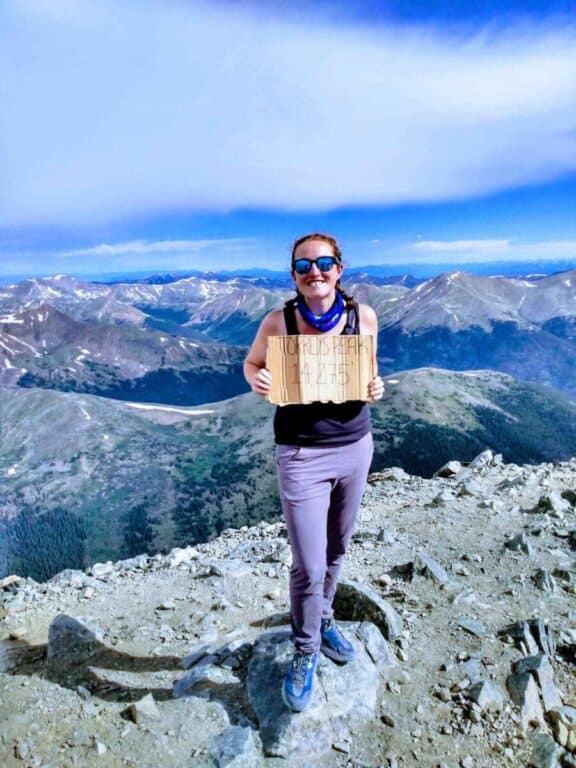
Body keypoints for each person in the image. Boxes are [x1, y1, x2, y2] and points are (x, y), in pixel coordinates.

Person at [243, 233, 384, 712]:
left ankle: (324, 620)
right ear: (293, 275)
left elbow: (369, 375)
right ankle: (305, 650)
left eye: (324, 263)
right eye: (304, 266)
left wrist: (375, 386)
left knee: (338, 547)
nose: (314, 272)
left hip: (354, 446)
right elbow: (252, 363)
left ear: (339, 269)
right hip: (301, 453)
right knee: (308, 559)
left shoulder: (362, 318)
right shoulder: (278, 321)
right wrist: (257, 379)